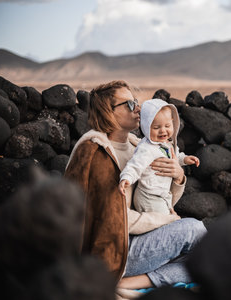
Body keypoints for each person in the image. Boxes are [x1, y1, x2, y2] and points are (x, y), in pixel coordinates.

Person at [64, 80, 206, 293]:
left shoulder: (137, 147)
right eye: (129, 104)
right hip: (113, 251)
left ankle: (135, 282)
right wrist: (166, 221)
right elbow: (110, 219)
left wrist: (178, 177)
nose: (138, 108)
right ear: (108, 112)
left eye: (136, 102)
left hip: (139, 240)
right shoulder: (97, 153)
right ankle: (125, 280)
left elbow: (155, 200)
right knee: (195, 230)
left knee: (204, 259)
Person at [119, 98, 199, 215]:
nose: (163, 131)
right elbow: (136, 164)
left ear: (173, 122)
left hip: (160, 195)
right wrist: (127, 177)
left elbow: (174, 156)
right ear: (146, 127)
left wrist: (185, 159)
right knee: (164, 221)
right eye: (156, 127)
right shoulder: (146, 148)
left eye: (167, 126)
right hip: (148, 196)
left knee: (167, 216)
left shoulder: (166, 143)